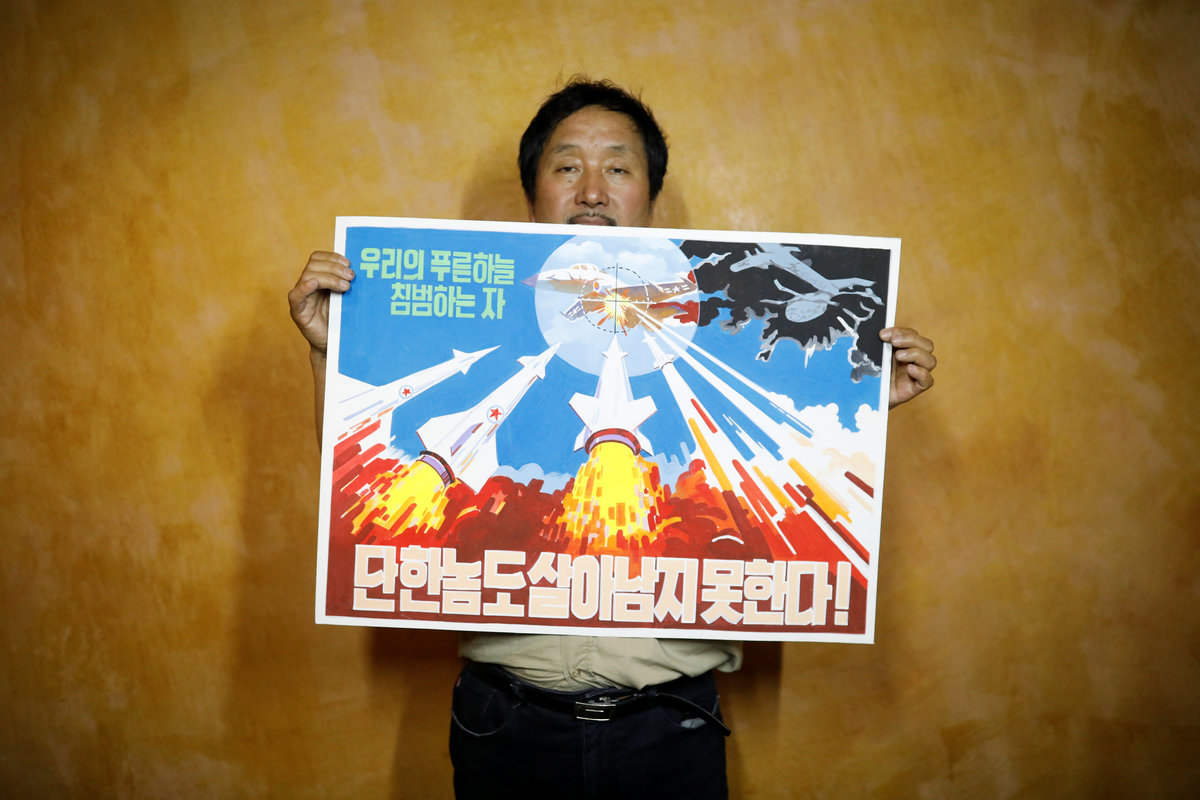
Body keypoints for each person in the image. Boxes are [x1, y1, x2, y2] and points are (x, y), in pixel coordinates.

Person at [289, 78, 936, 799]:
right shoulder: (458, 318)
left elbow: (790, 500)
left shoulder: (729, 340)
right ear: (532, 194)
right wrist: (329, 352)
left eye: (618, 168)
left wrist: (861, 403)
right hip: (506, 723)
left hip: (670, 727)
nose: (592, 191)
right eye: (567, 166)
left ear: (650, 195)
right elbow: (368, 508)